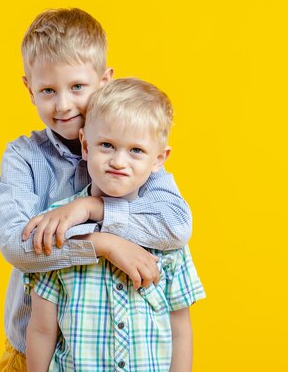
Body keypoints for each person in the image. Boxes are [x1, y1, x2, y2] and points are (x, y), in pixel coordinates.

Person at [0, 8, 193, 372]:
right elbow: (14, 244)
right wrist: (102, 244)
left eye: (77, 87)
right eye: (48, 90)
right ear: (29, 89)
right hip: (33, 342)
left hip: (120, 352)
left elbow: (176, 225)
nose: (64, 104)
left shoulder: (129, 150)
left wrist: (92, 209)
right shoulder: (23, 157)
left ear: (104, 80)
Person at [25, 78, 205, 372]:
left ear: (159, 159)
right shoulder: (59, 220)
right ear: (85, 145)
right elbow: (42, 328)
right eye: (107, 145)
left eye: (136, 150)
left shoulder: (165, 228)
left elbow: (180, 328)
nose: (119, 161)